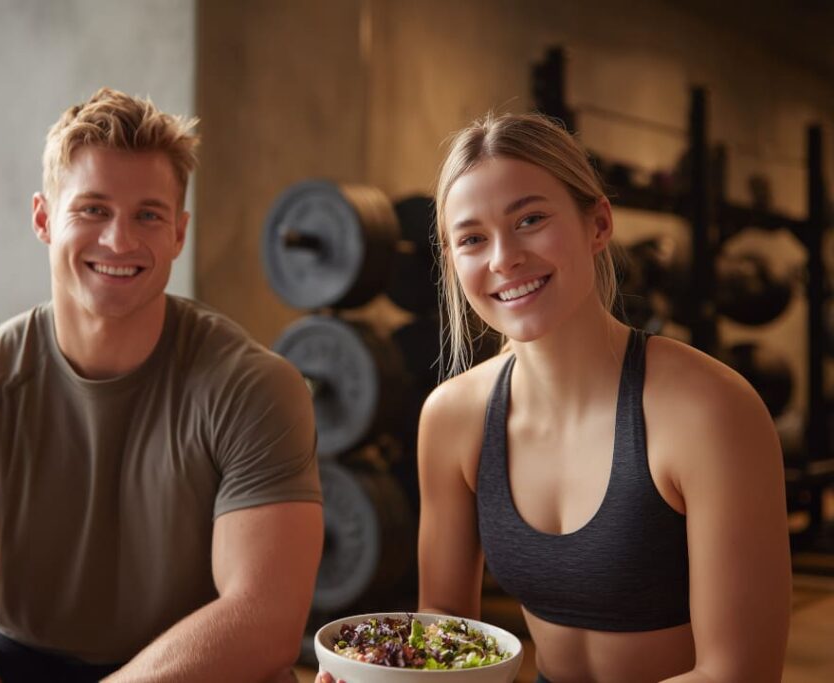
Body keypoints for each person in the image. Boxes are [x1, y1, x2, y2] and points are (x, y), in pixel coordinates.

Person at [0, 87, 324, 683]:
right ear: (43, 218)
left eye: (148, 214)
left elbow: (262, 617)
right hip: (25, 656)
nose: (119, 240)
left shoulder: (253, 387)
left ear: (178, 233)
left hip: (201, 667)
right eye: (92, 209)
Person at [319, 112, 790, 682]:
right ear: (451, 261)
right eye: (472, 239)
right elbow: (445, 623)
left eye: (531, 219)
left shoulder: (709, 409)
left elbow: (741, 673)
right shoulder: (452, 416)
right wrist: (388, 675)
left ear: (599, 224)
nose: (503, 259)